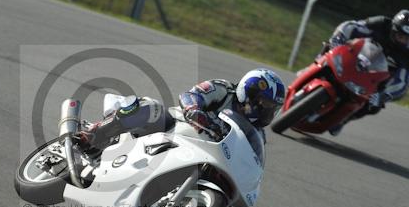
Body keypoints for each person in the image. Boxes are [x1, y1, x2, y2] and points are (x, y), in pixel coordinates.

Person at [77, 69, 286, 152]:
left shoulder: (257, 134)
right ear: (247, 93)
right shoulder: (224, 90)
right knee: (153, 109)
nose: (266, 112)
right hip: (174, 128)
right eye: (264, 104)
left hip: (203, 154)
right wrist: (195, 110)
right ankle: (95, 133)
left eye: (272, 109)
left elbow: (251, 161)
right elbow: (191, 95)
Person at [325, 9, 409, 135]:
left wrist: (384, 95)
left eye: (407, 38)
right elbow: (351, 27)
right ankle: (313, 66)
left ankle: (344, 119)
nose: (402, 40)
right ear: (393, 28)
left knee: (374, 106)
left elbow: (402, 82)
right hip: (357, 57)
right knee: (329, 47)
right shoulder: (381, 23)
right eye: (400, 35)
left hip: (377, 79)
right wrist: (338, 39)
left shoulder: (407, 55)